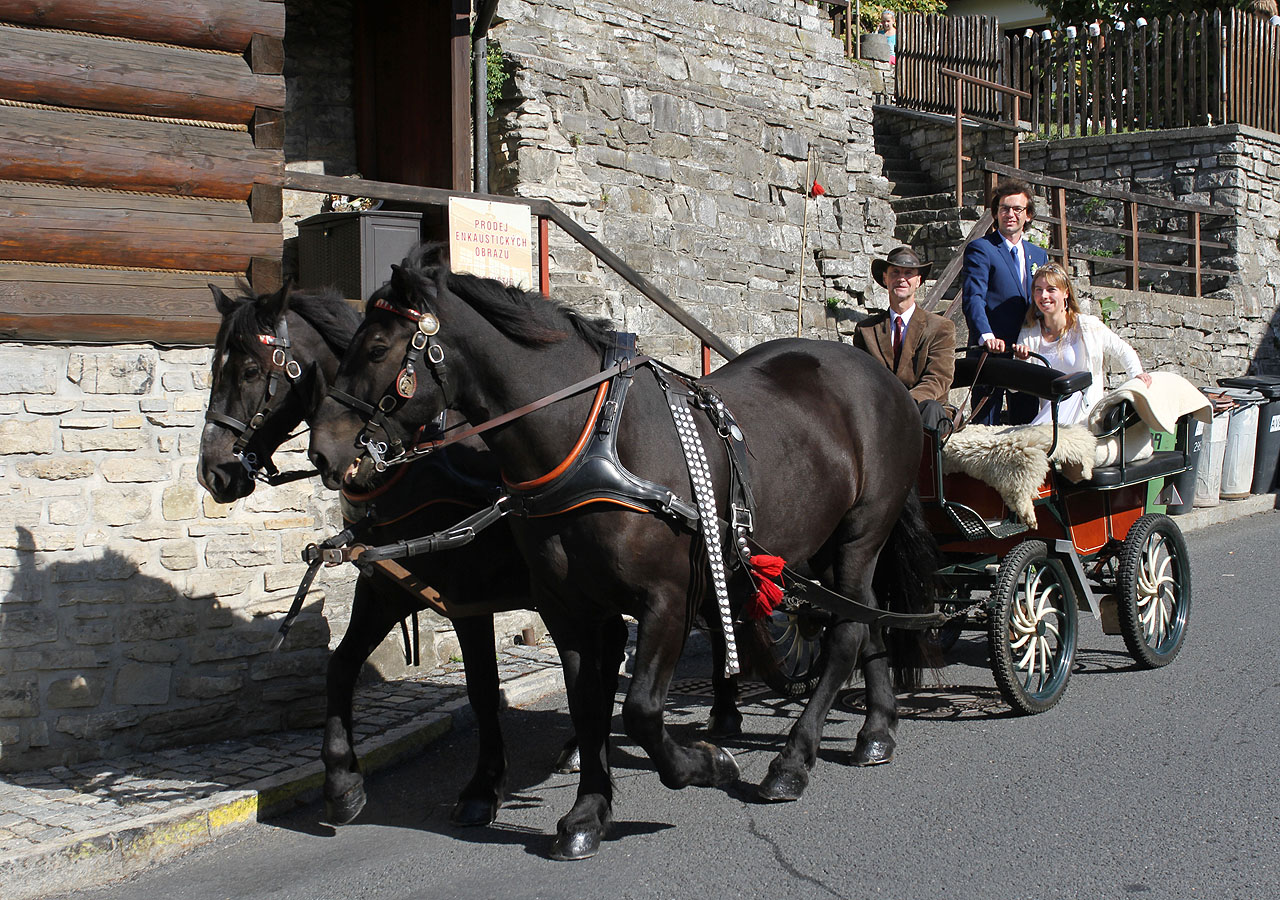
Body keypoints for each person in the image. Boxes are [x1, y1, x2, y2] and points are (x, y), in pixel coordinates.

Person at [1013, 262, 1151, 426]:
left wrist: (1137, 376)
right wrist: (1022, 360)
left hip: (1087, 419)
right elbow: (1015, 387)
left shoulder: (1087, 326)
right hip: (1052, 420)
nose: (1044, 296)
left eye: (1051, 289)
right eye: (1038, 289)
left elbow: (1123, 350)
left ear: (1065, 293)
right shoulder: (1030, 333)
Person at [960, 177, 1050, 424]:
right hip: (993, 351)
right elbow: (973, 297)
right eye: (1004, 208)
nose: (1010, 214)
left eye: (1017, 209)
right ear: (996, 213)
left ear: (1028, 215)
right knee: (985, 424)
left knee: (1027, 424)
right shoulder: (982, 249)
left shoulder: (1038, 254)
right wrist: (985, 335)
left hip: (1026, 351)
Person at [855, 246, 956, 431]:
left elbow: (939, 378)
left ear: (918, 281)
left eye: (908, 273)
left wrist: (904, 403)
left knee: (931, 410)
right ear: (885, 279)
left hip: (924, 409)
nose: (901, 278)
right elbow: (862, 379)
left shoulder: (940, 327)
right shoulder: (866, 330)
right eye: (895, 272)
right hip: (880, 411)